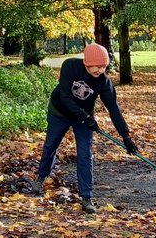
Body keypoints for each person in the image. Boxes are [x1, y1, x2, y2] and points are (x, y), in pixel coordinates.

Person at [35, 42, 138, 214]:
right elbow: (66, 97)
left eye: (103, 66)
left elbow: (113, 108)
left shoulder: (104, 82)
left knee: (85, 154)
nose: (99, 70)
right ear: (86, 63)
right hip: (60, 112)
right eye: (96, 67)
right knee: (51, 145)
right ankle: (41, 178)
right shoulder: (70, 66)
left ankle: (87, 197)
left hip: (84, 118)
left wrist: (126, 136)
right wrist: (85, 117)